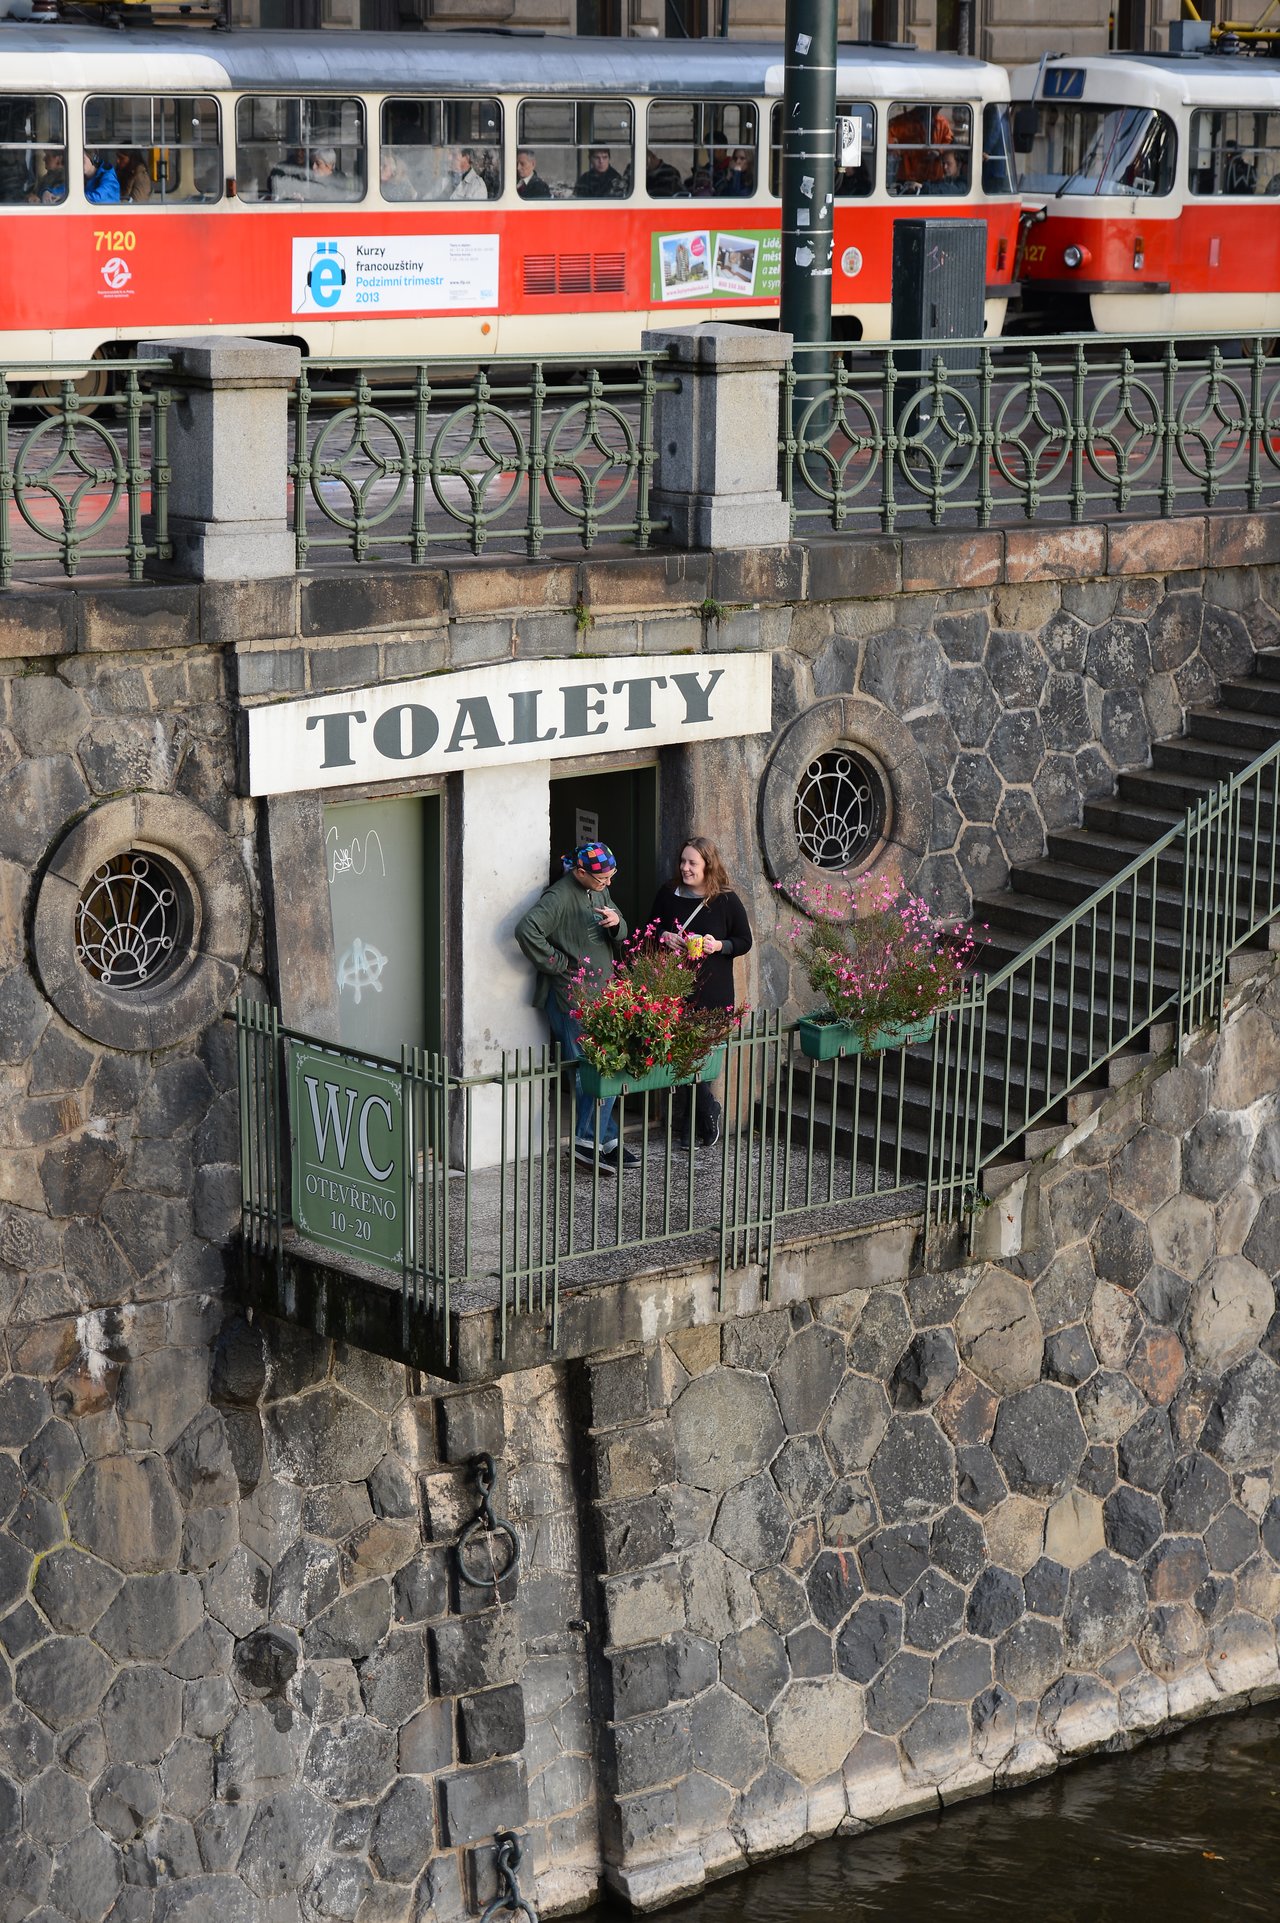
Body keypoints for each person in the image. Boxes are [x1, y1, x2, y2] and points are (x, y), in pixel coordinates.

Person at [515, 842, 639, 1171]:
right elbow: (526, 930)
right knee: (591, 1072)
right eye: (603, 878)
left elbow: (620, 929)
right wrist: (556, 963)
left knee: (607, 1068)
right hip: (573, 998)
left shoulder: (597, 889)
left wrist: (616, 924)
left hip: (602, 996)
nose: (608, 883)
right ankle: (585, 1142)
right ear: (581, 872)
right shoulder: (559, 896)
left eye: (612, 876)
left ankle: (605, 1139)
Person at [648, 837, 752, 1149]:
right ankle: (708, 1110)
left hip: (713, 993)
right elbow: (650, 929)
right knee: (683, 1057)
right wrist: (664, 936)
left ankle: (691, 1125)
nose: (685, 867)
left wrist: (718, 946)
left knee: (698, 1059)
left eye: (692, 862)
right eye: (683, 861)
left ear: (708, 865)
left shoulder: (725, 900)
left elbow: (744, 940)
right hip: (674, 991)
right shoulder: (669, 894)